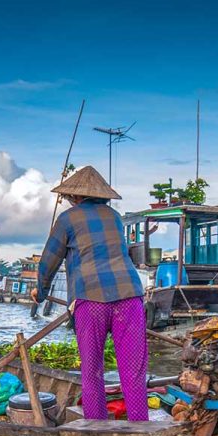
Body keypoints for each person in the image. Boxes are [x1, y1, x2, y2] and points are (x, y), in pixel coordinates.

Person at [31, 166, 148, 421]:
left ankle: (96, 425)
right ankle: (140, 425)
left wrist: (40, 293)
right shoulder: (115, 217)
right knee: (133, 370)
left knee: (92, 370)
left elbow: (49, 260)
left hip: (91, 299)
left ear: (75, 197)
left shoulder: (67, 219)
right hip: (130, 296)